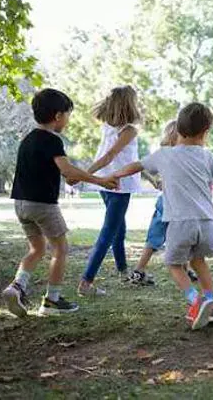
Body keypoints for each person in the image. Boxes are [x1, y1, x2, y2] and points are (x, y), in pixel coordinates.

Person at [113, 102, 213, 330]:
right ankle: (211, 302)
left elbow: (136, 165)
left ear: (178, 130)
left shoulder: (164, 154)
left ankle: (196, 301)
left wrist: (115, 174)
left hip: (180, 221)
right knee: (198, 261)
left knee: (174, 264)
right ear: (206, 132)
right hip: (207, 222)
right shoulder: (208, 156)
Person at [2, 88, 118, 317]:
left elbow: (62, 172)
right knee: (61, 248)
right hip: (43, 205)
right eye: (67, 115)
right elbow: (66, 170)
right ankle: (52, 301)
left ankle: (16, 287)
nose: (67, 120)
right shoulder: (52, 140)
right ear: (57, 116)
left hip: (21, 204)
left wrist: (74, 176)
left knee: (36, 249)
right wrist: (100, 180)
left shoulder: (27, 139)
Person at [76, 86, 147, 296]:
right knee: (108, 232)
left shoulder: (108, 127)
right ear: (129, 104)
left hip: (106, 182)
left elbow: (132, 159)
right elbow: (110, 156)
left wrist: (151, 177)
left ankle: (123, 271)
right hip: (118, 183)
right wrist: (82, 174)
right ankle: (86, 282)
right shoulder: (129, 130)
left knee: (119, 228)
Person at [126, 120, 199, 286]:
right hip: (176, 203)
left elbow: (142, 166)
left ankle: (139, 270)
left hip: (165, 201)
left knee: (155, 237)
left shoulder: (164, 154)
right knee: (182, 236)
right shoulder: (187, 155)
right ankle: (183, 269)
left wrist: (158, 181)